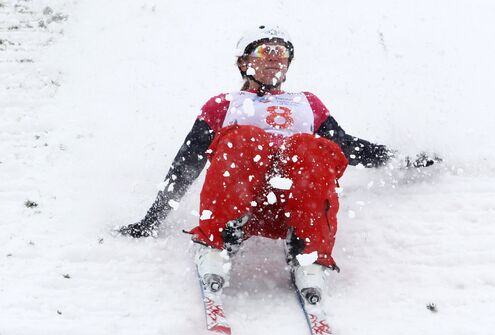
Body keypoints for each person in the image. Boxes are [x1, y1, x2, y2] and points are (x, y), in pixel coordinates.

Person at [118, 25, 437, 305]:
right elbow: (186, 164)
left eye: (281, 53)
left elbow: (347, 147)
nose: (274, 58)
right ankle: (220, 242)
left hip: (292, 205)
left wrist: (401, 159)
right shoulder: (223, 105)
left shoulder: (306, 103)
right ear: (243, 62)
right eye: (264, 51)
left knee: (309, 147)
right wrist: (151, 221)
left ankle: (307, 250)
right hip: (239, 202)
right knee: (244, 138)